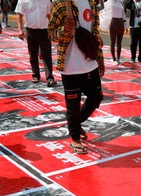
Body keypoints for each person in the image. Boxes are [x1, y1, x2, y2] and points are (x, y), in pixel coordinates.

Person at [47, 0, 105, 154]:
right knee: (73, 106)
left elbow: (95, 33)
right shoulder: (60, 4)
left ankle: (76, 126)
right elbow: (51, 33)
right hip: (70, 66)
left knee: (96, 97)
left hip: (90, 63)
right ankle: (75, 139)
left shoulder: (91, 3)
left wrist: (100, 58)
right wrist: (64, 29)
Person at [16, 0, 57, 86]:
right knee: (33, 55)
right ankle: (35, 75)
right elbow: (19, 15)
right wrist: (20, 30)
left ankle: (49, 78)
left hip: (44, 31)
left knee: (47, 55)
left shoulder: (46, 1)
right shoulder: (23, 1)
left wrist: (52, 29)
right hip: (30, 31)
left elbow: (49, 15)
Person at [107, 0, 125, 64]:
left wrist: (124, 24)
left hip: (120, 22)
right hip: (113, 22)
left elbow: (123, 14)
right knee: (113, 42)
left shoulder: (122, 2)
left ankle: (118, 58)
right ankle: (114, 58)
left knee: (119, 42)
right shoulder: (111, 1)